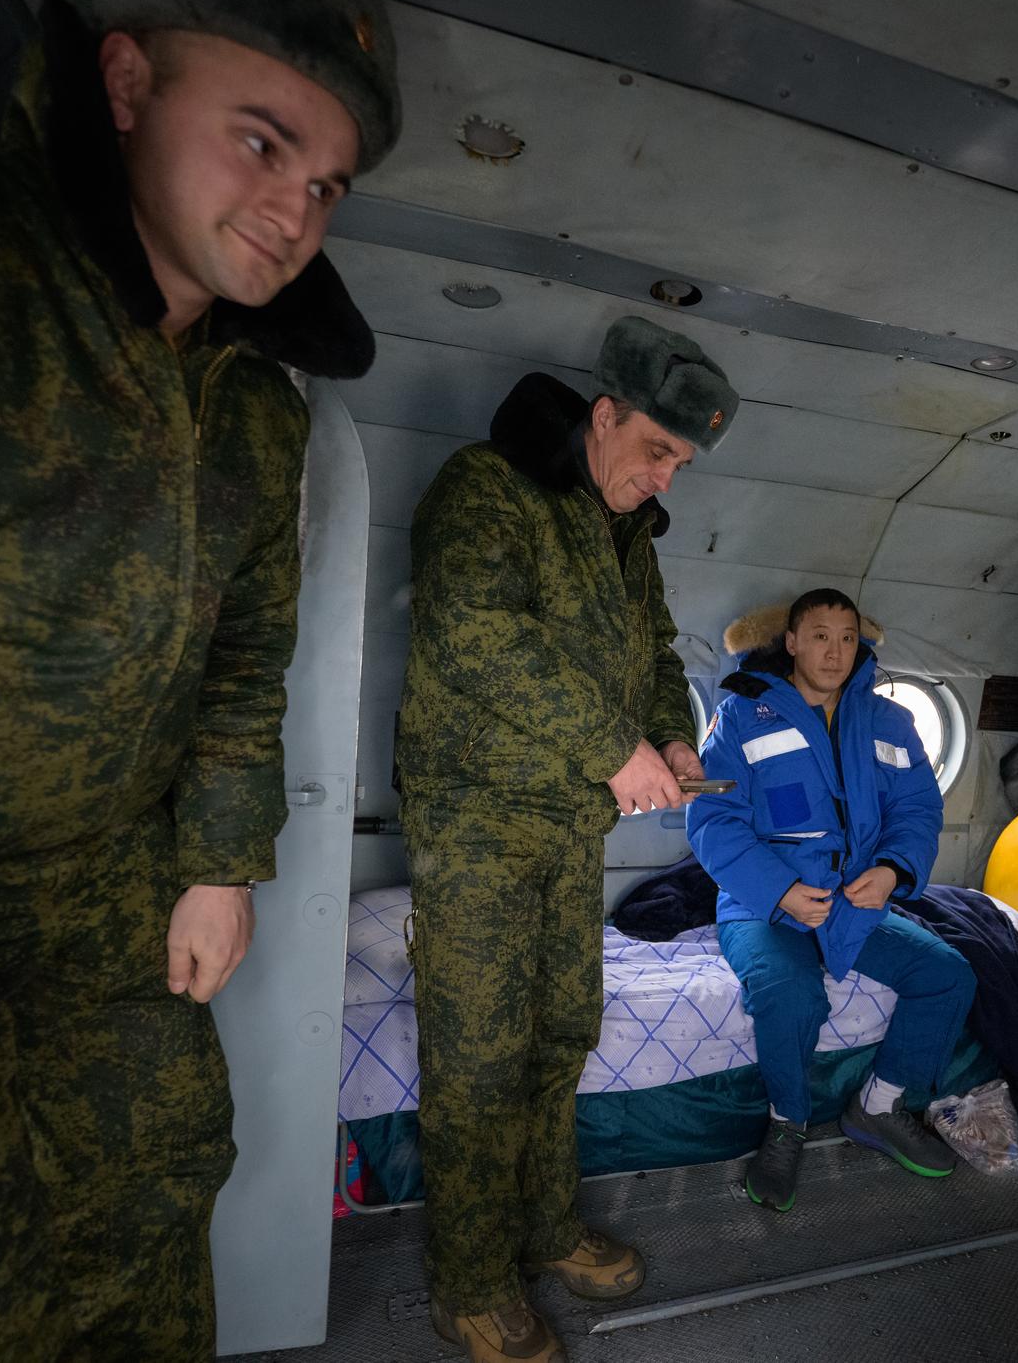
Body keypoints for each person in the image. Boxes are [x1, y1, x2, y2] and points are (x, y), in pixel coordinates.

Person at [0, 0, 396, 1358]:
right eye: (263, 142)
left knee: (159, 1215)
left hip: (115, 907)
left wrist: (221, 860)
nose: (297, 209)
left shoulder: (254, 411)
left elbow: (241, 658)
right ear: (124, 78)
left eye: (325, 181)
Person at [396, 316, 736, 1363]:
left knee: (557, 1041)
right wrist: (612, 745)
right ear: (602, 416)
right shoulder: (486, 489)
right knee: (478, 1061)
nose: (666, 478)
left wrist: (671, 735)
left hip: (566, 830)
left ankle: (541, 1230)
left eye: (682, 462)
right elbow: (475, 633)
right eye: (657, 450)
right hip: (478, 826)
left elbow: (659, 655)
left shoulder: (628, 536)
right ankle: (469, 1281)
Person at [687, 591, 972, 1213]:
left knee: (948, 976)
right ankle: (787, 1123)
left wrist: (894, 872)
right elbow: (712, 820)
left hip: (856, 900)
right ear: (790, 643)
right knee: (793, 998)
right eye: (819, 636)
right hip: (762, 905)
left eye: (846, 638)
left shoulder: (891, 722)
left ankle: (878, 1107)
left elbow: (918, 809)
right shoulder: (741, 715)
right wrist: (781, 890)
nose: (835, 651)